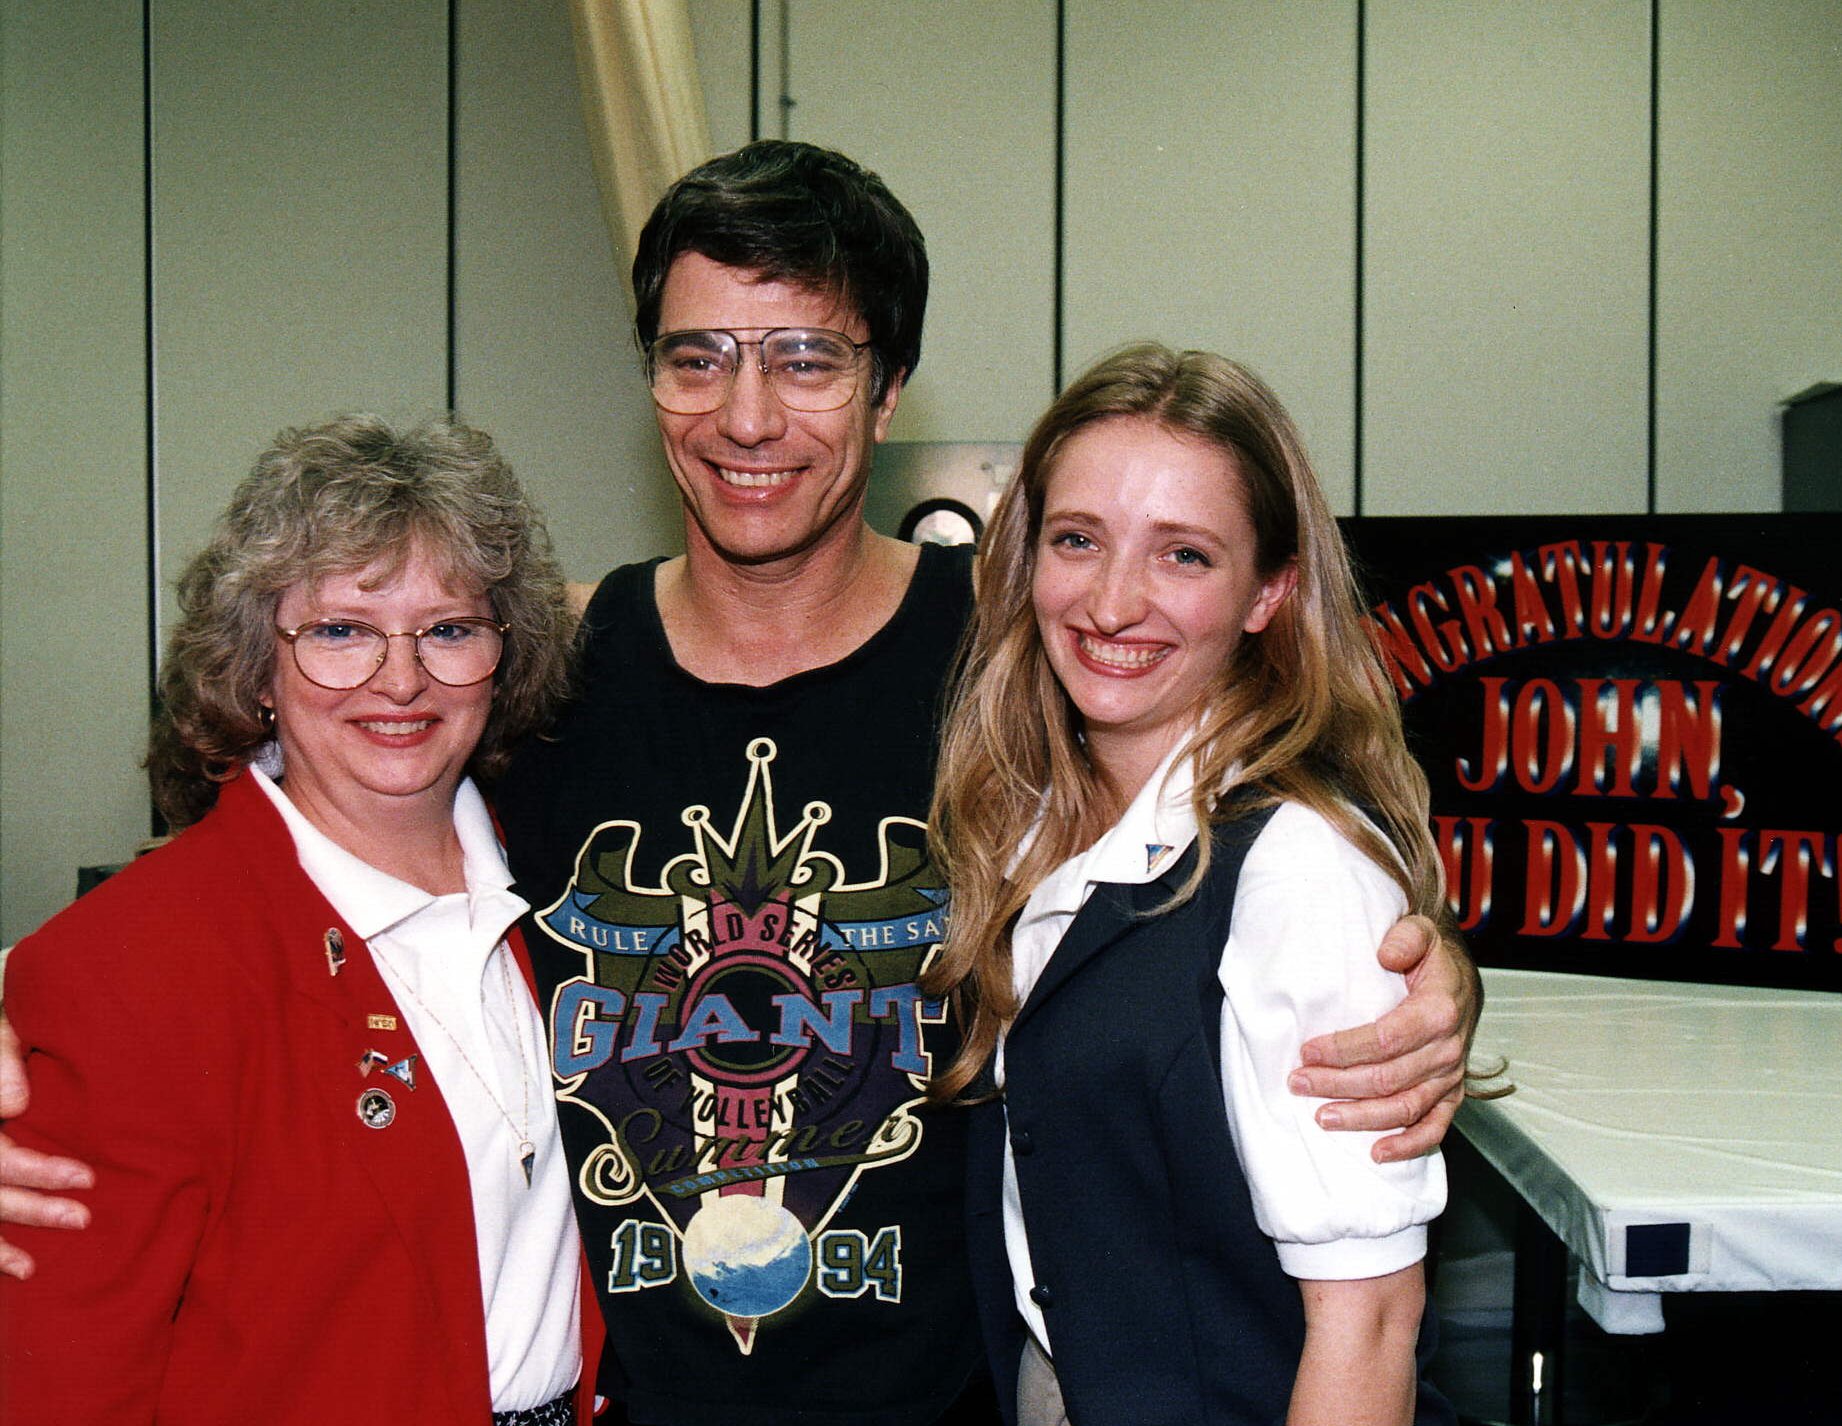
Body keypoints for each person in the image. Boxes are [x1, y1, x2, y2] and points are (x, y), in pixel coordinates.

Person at [0, 143, 1478, 1426]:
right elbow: (267, 857)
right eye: (697, 355)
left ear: (890, 383)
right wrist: (28, 1025)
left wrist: (1429, 966)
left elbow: (1235, 826)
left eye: (807, 358)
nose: (747, 418)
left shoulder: (1019, 666)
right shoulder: (528, 678)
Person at [0, 416, 597, 1425]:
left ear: (503, 654)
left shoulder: (565, 885)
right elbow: (63, 1383)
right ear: (256, 665)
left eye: (449, 629)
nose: (400, 679)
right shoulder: (128, 967)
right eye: (339, 632)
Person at [928, 345, 1456, 1426]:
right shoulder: (1034, 817)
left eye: (1184, 556)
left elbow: (1368, 1326)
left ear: (1270, 592)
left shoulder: (1299, 865)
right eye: (1079, 540)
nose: (1114, 602)